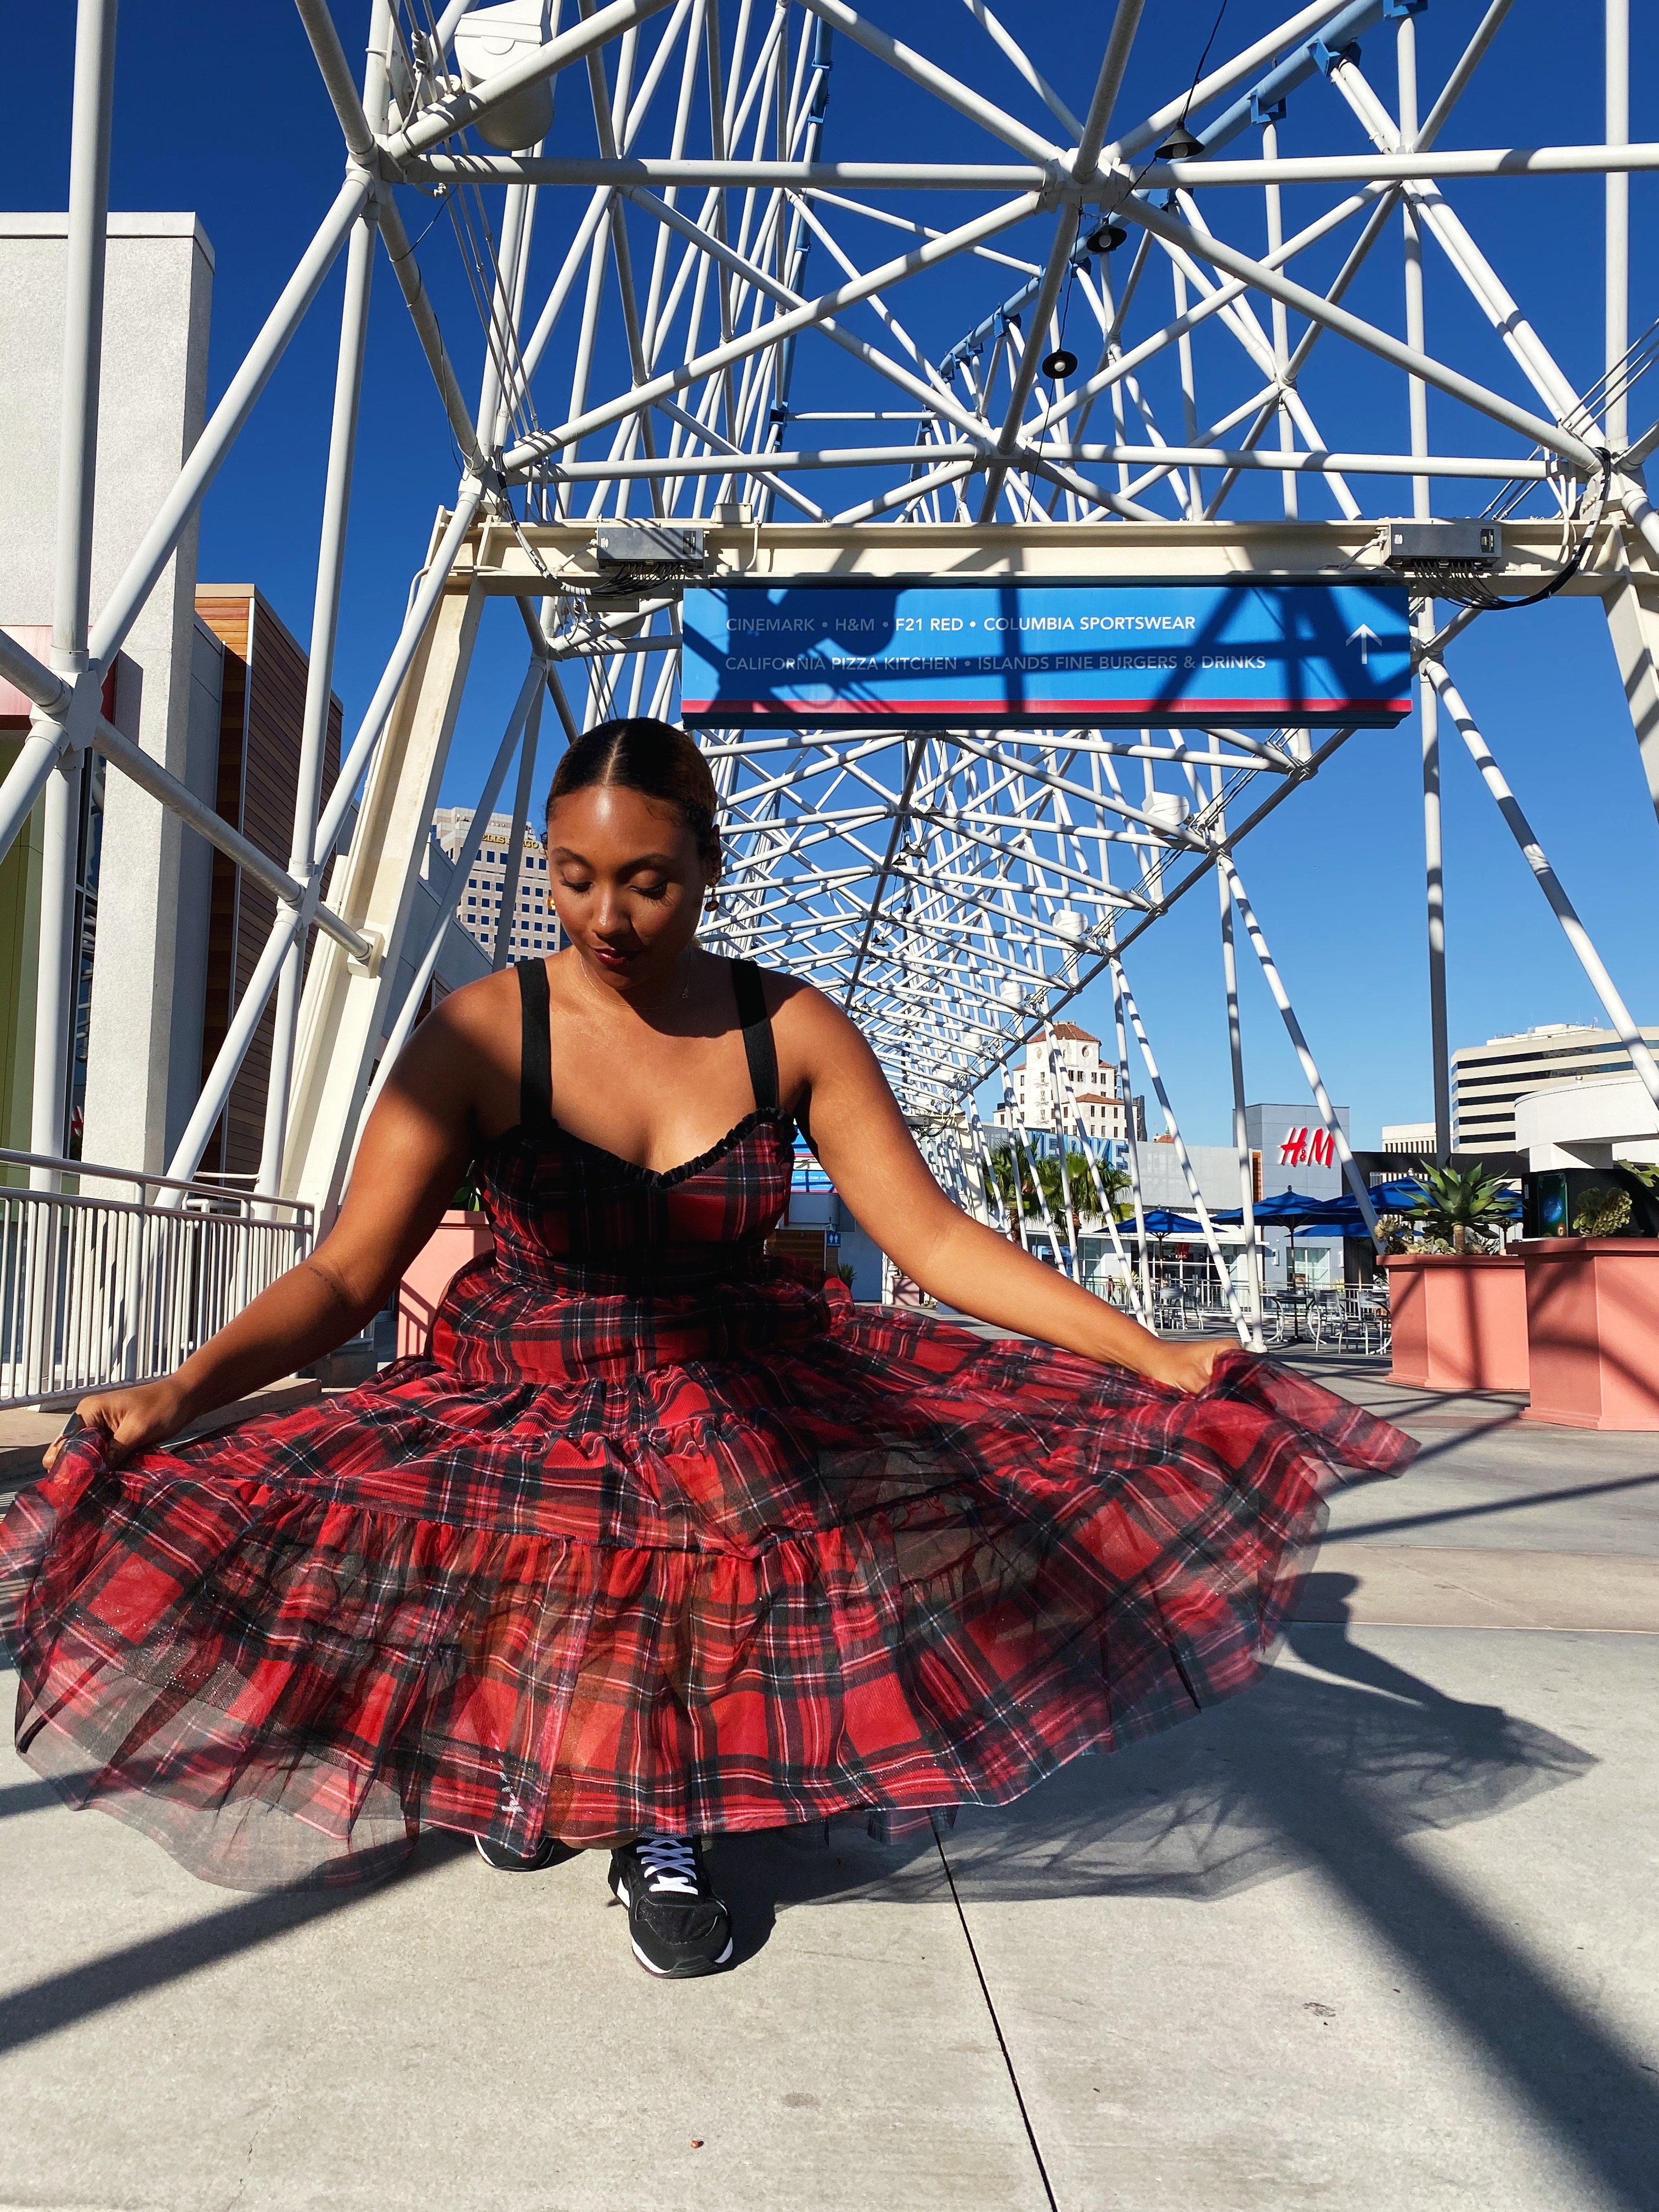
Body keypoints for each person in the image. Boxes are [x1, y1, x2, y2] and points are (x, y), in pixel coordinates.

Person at [0, 718, 1413, 1980]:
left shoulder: (786, 1028)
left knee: (703, 1596)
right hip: (523, 1387)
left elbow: (928, 1238)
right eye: (572, 876)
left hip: (733, 1379)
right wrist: (179, 1391)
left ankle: (667, 1823)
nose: (605, 914)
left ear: (709, 867)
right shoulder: (483, 1033)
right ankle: (541, 1773)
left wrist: (1143, 1352)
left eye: (647, 880)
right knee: (548, 1591)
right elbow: (348, 1270)